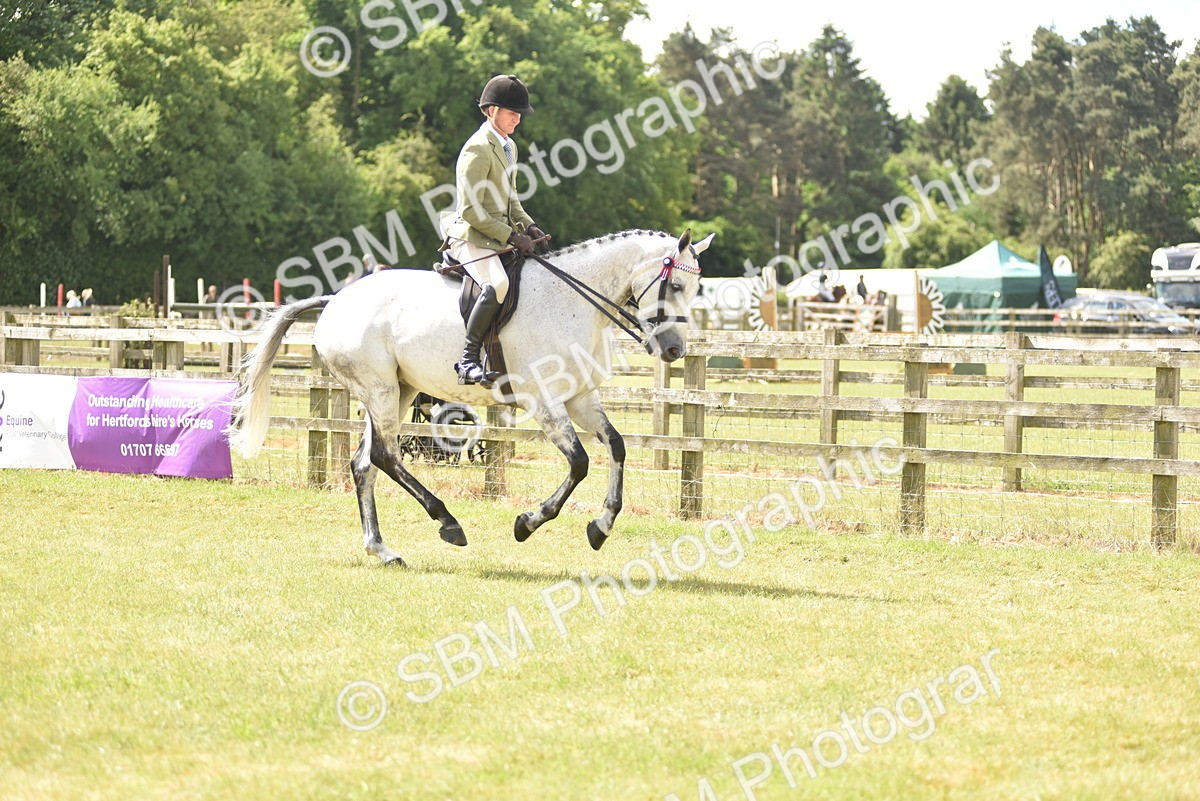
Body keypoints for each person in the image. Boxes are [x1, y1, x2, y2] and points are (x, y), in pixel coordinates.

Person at [441, 74, 551, 388]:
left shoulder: (508, 147)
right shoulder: (477, 149)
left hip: (496, 236)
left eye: (519, 113)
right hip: (470, 236)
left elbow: (511, 199)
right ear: (491, 111)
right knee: (498, 285)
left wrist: (528, 224)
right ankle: (468, 359)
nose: (518, 118)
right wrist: (509, 235)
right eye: (511, 112)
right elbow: (470, 210)